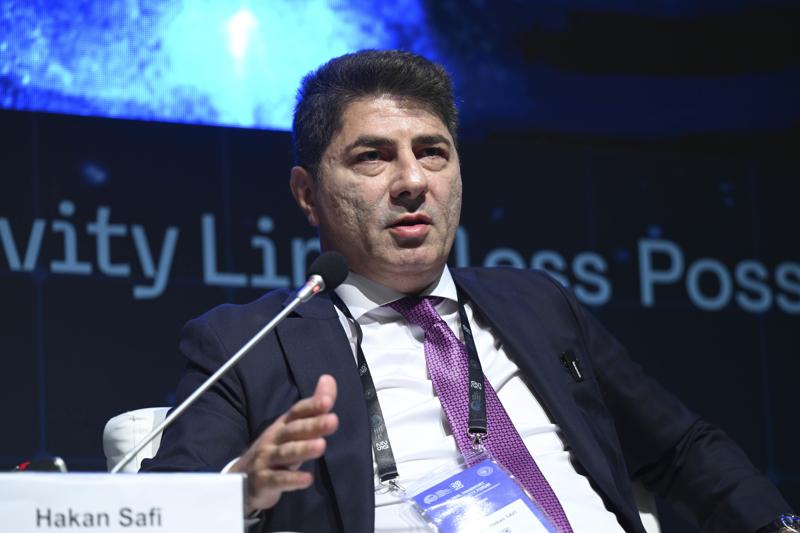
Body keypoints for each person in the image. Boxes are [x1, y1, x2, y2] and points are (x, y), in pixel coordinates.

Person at [141, 50, 794, 532]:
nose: (412, 181)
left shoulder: (538, 304)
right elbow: (158, 511)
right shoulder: (249, 343)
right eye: (373, 156)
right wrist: (239, 491)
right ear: (307, 194)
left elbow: (680, 447)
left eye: (433, 151)